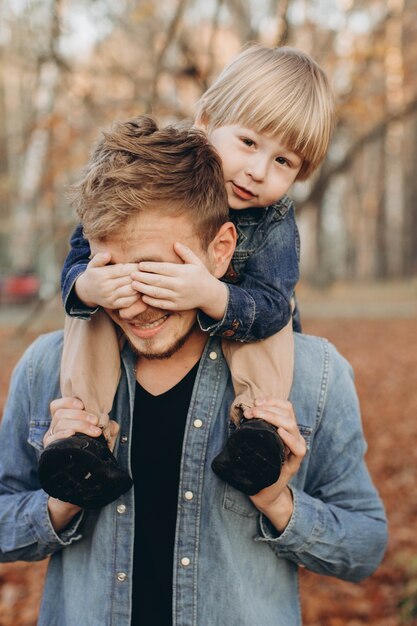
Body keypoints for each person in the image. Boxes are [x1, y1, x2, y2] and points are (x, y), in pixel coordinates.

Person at [0, 117, 387, 626]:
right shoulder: (47, 367)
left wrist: (277, 501)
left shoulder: (313, 374)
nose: (133, 304)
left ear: (221, 250)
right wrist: (60, 502)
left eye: (157, 274)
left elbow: (363, 547)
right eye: (112, 273)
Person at [45, 45, 335, 504]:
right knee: (91, 314)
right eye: (248, 142)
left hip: (244, 319)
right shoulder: (153, 178)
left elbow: (273, 305)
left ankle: (257, 429)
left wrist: (212, 294)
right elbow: (89, 243)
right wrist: (88, 284)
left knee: (276, 325)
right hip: (125, 308)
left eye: (284, 162)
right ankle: (83, 435)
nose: (258, 171)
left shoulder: (273, 219)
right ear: (207, 122)